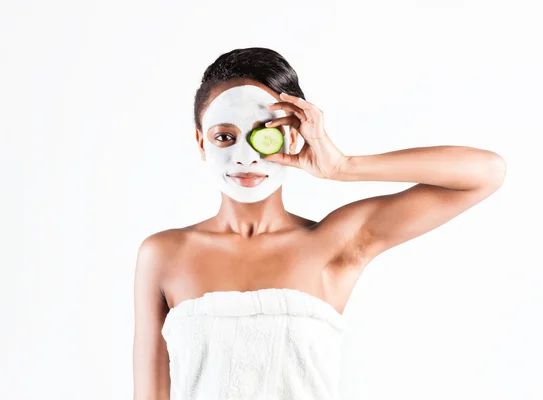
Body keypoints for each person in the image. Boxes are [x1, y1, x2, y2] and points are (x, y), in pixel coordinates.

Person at [132, 47, 506, 400]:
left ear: (294, 134)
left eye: (264, 134)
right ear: (202, 143)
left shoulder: (336, 241)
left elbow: (485, 172)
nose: (245, 157)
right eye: (225, 137)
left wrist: (343, 167)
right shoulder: (164, 254)